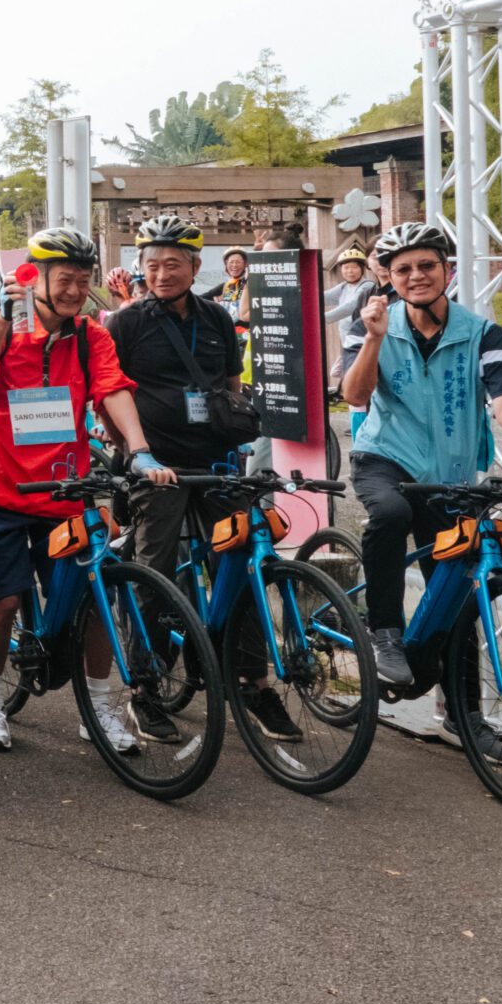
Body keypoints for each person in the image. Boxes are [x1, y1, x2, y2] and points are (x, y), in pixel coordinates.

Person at [340, 221, 502, 751]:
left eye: (427, 265)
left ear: (447, 270)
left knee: (458, 586)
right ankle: (385, 633)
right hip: (385, 458)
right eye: (403, 269)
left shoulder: (481, 332)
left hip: (449, 476)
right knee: (392, 516)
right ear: (390, 278)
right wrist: (374, 339)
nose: (416, 276)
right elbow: (354, 395)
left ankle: (464, 713)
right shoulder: (372, 323)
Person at [0, 228, 177, 755]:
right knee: (3, 599)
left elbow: (113, 389)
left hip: (64, 489)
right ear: (36, 277)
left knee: (96, 597)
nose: (75, 290)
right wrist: (6, 323)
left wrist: (141, 448)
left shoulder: (89, 335)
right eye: (64, 280)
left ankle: (99, 707)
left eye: (83, 280)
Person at [103, 214, 305, 743]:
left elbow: (229, 382)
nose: (163, 273)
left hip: (215, 461)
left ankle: (252, 682)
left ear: (196, 266)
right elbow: (108, 392)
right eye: (153, 265)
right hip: (158, 463)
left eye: (174, 263)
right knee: (155, 568)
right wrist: (129, 452)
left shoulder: (216, 318)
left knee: (239, 563)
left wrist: (235, 429)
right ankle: (143, 687)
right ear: (141, 269)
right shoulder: (125, 323)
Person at [324, 244, 374, 383]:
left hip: (360, 340)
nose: (350, 271)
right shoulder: (344, 287)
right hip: (346, 341)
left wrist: (323, 318)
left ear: (362, 269)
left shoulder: (367, 286)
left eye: (354, 267)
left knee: (352, 373)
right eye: (346, 268)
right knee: (339, 371)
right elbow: (323, 297)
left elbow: (351, 306)